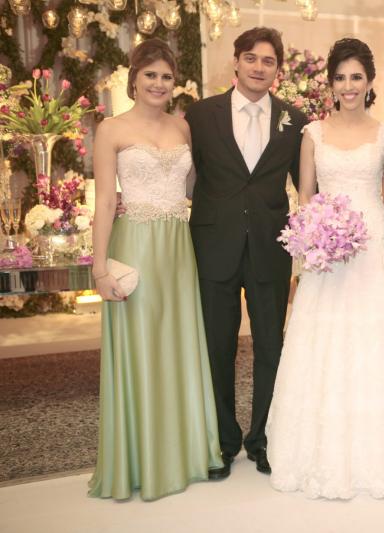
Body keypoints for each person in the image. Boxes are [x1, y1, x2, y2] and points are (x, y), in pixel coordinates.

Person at [266, 38, 384, 500]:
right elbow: (306, 195)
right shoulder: (312, 134)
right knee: (325, 343)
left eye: (356, 77)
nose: (348, 86)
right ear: (330, 83)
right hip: (327, 255)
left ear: (370, 82)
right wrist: (315, 236)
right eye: (340, 77)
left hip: (374, 245)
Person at [89, 39, 223, 501]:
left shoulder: (183, 127)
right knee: (142, 345)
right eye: (150, 75)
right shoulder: (111, 129)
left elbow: (194, 187)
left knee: (179, 343)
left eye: (166, 76)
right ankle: (144, 459)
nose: (159, 83)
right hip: (136, 246)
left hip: (178, 249)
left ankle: (185, 453)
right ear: (134, 79)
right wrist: (99, 267)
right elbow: (104, 201)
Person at [185, 27, 308, 479]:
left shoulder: (294, 120)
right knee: (216, 348)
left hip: (269, 248)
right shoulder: (201, 115)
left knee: (271, 346)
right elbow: (182, 173)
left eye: (268, 61)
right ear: (235, 62)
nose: (259, 67)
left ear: (278, 70)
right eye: (251, 58)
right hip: (213, 246)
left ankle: (263, 438)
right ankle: (222, 441)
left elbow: (307, 186)